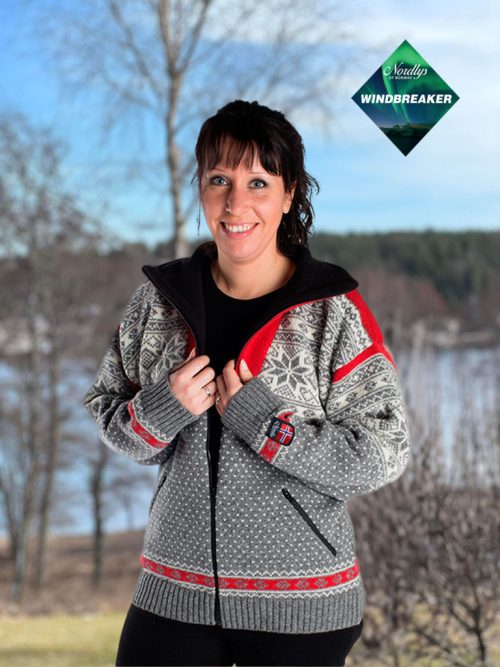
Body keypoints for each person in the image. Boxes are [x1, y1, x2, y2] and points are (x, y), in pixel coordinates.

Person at [84, 99, 411, 666]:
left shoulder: (333, 313)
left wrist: (268, 426)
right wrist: (159, 412)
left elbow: (385, 452)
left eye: (258, 182)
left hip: (302, 605)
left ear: (289, 196)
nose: (236, 203)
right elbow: (107, 413)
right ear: (202, 190)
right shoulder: (159, 302)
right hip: (173, 592)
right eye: (219, 180)